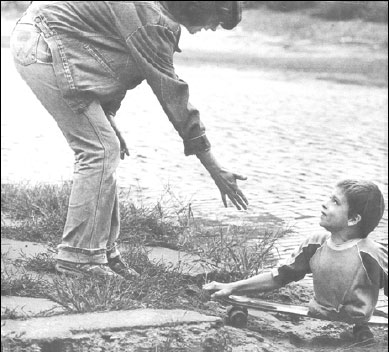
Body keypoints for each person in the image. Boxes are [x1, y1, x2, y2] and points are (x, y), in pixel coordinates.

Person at [10, 1, 248, 279]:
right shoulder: (154, 21)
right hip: (44, 43)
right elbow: (173, 96)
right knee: (99, 150)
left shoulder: (153, 13)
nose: (212, 27)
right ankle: (78, 257)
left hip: (43, 38)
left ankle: (103, 253)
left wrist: (107, 118)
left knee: (104, 145)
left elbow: (111, 62)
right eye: (215, 20)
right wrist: (215, 168)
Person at [204, 180, 388, 343]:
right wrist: (232, 287)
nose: (324, 204)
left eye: (335, 202)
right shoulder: (316, 243)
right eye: (329, 198)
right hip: (319, 311)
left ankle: (359, 328)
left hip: (357, 317)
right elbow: (279, 276)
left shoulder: (372, 253)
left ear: (354, 219)